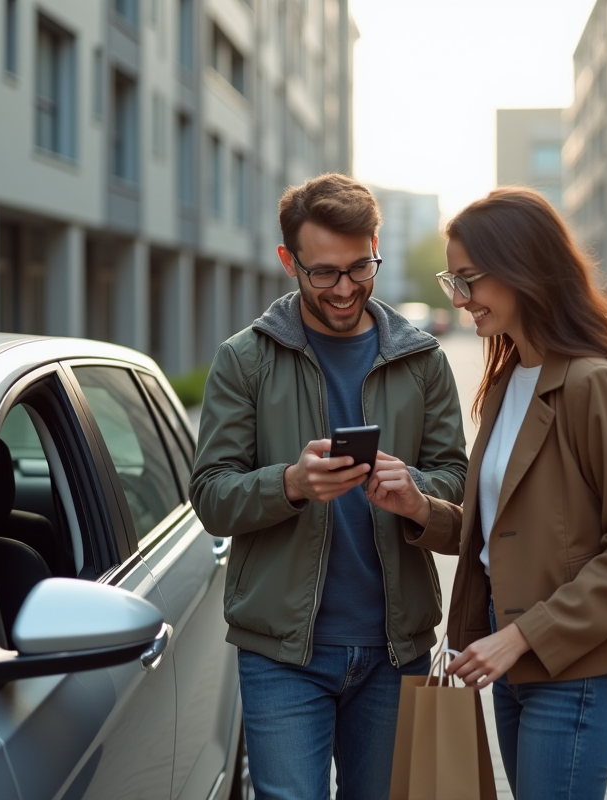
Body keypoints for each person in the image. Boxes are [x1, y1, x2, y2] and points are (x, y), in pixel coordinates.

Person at [367, 186, 607, 800]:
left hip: (578, 668)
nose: (459, 299)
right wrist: (417, 508)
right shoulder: (510, 377)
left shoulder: (591, 383)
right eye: (451, 279)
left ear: (522, 269)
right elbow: (506, 531)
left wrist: (523, 635)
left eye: (469, 279)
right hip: (509, 658)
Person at [189, 172, 468, 800]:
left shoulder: (422, 360)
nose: (344, 289)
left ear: (376, 245)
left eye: (358, 268)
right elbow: (209, 495)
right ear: (289, 260)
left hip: (395, 650)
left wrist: (416, 496)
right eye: (323, 273)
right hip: (283, 654)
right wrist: (289, 483)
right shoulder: (245, 359)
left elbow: (461, 492)